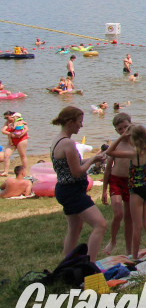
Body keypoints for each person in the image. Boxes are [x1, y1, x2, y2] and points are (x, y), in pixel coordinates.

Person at [50, 106, 108, 262]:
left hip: (64, 189)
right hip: (72, 191)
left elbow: (71, 164)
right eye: (79, 122)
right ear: (70, 122)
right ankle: (89, 265)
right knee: (100, 224)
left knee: (74, 229)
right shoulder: (68, 144)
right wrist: (93, 160)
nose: (81, 125)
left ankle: (67, 265)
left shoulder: (57, 140)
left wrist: (92, 159)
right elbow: (77, 172)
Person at [107, 125, 146, 259]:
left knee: (137, 226)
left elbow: (109, 152)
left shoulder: (134, 154)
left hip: (136, 191)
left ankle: (134, 255)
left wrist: (121, 137)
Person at [101, 113, 136, 256]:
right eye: (120, 129)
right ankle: (113, 240)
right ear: (116, 131)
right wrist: (104, 191)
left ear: (131, 125)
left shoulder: (137, 143)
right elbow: (108, 168)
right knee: (118, 213)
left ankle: (128, 248)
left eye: (125, 127)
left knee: (129, 217)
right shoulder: (117, 144)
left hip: (130, 181)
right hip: (116, 180)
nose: (123, 131)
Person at [2, 111, 29, 176]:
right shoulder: (7, 123)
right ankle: (5, 172)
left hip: (21, 140)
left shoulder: (19, 120)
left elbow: (26, 129)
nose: (6, 119)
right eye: (5, 118)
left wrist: (20, 135)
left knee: (22, 156)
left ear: (12, 116)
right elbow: (3, 131)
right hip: (12, 141)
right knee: (6, 155)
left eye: (7, 117)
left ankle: (25, 171)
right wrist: (11, 134)